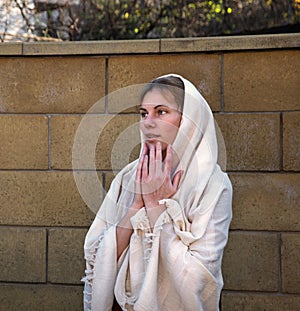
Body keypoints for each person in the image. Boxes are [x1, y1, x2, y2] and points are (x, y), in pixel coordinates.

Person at [82, 74, 232, 311]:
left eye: (161, 112)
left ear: (188, 121)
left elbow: (199, 280)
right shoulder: (129, 176)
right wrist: (135, 205)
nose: (147, 122)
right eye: (144, 113)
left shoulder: (212, 186)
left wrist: (155, 206)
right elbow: (96, 253)